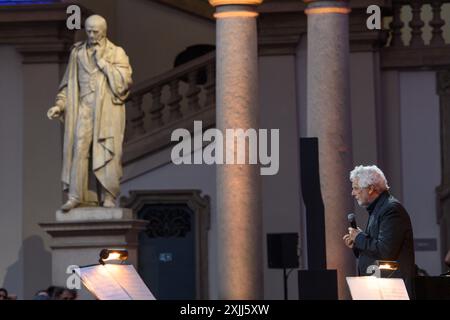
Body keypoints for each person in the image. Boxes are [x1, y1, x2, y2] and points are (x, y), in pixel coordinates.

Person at [47, 14, 133, 211]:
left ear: (104, 32)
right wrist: (59, 105)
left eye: (96, 32)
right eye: (89, 31)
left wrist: (102, 63)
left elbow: (124, 84)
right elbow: (68, 85)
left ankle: (108, 196)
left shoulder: (116, 53)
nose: (92, 35)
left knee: (107, 150)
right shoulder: (77, 53)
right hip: (84, 108)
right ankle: (76, 195)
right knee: (79, 150)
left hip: (107, 111)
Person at [343, 165, 416, 297]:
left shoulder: (391, 210)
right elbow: (375, 252)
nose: (353, 193)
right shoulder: (378, 209)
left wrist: (360, 238)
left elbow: (386, 251)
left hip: (391, 291)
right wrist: (357, 243)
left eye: (356, 188)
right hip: (379, 287)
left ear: (371, 189)